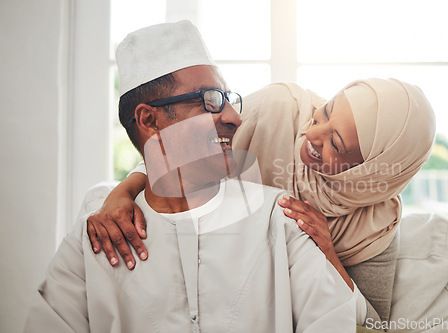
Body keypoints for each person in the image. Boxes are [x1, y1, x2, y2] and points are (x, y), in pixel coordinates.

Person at [24, 21, 356, 332]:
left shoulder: (279, 219)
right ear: (150, 120)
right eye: (210, 101)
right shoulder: (96, 237)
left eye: (228, 99)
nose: (234, 118)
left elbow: (333, 320)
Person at [87, 72, 436, 327]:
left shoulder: (375, 224)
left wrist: (328, 253)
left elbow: (372, 325)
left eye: (336, 144)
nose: (312, 134)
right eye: (326, 111)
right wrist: (124, 190)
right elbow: (181, 148)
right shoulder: (276, 110)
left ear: (369, 172)